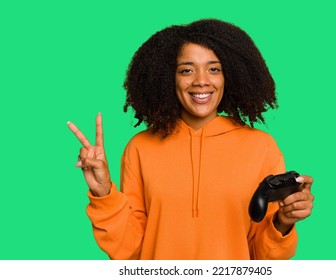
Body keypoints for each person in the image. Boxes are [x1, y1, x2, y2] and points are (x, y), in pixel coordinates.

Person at [68, 18, 314, 260]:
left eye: (214, 69)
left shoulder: (262, 147)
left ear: (230, 75)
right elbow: (129, 251)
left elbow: (263, 258)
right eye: (186, 70)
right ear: (168, 78)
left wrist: (284, 221)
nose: (201, 81)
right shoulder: (140, 147)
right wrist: (103, 193)